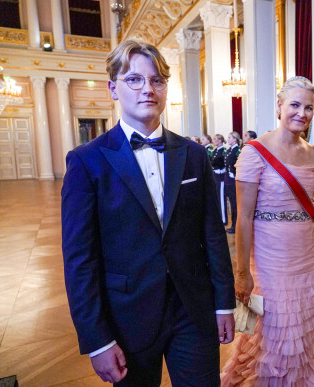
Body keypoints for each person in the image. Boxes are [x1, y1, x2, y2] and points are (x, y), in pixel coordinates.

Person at [61, 39, 235, 386]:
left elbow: (212, 235)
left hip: (193, 310)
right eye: (135, 80)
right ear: (113, 88)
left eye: (157, 80)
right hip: (127, 316)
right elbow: (80, 259)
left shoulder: (193, 154)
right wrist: (97, 339)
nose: (147, 89)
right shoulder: (87, 161)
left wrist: (223, 304)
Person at [220, 76, 314, 386]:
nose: (302, 113)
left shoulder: (311, 151)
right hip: (271, 257)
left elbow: (309, 205)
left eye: (309, 107)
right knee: (274, 329)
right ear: (279, 106)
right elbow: (243, 218)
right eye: (295, 105)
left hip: (306, 256)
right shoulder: (253, 152)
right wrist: (242, 274)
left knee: (304, 328)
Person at [225, 131, 241, 234]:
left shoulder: (237, 150)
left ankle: (236, 226)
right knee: (231, 202)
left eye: (230, 137)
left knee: (235, 203)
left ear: (235, 139)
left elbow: (239, 164)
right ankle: (233, 225)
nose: (228, 139)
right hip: (229, 179)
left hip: (234, 179)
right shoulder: (230, 150)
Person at [212, 133, 227, 225]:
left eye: (215, 139)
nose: (213, 141)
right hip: (215, 176)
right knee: (217, 198)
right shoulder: (215, 151)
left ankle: (223, 219)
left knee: (221, 198)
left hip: (221, 176)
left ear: (220, 141)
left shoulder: (223, 151)